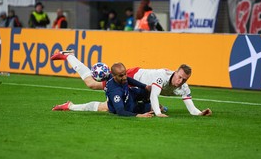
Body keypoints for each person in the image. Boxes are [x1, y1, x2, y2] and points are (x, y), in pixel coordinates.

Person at [51, 50, 212, 117]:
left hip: (139, 85)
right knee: (92, 85)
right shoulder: (161, 77)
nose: (181, 81)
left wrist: (199, 113)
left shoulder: (183, 87)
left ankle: (70, 106)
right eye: (180, 77)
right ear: (175, 72)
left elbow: (191, 107)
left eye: (184, 79)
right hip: (135, 75)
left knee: (111, 105)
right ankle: (69, 56)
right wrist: (156, 112)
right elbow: (153, 93)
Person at [53, 63, 154, 118]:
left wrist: (145, 86)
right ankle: (70, 106)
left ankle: (70, 106)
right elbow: (120, 111)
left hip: (129, 94)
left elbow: (129, 79)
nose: (124, 77)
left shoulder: (115, 76)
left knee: (147, 91)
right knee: (151, 108)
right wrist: (138, 115)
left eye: (125, 74)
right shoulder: (115, 92)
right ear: (114, 76)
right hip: (126, 106)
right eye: (121, 75)